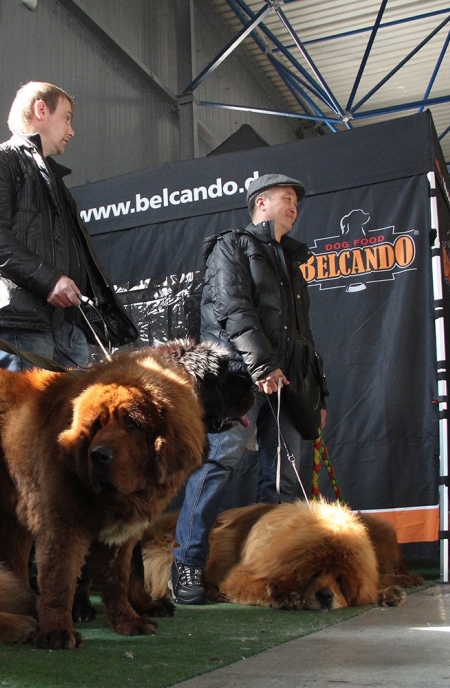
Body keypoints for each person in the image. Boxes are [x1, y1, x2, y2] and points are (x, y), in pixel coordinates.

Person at [171, 174, 328, 605]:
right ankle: (185, 566)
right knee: (216, 464)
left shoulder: (292, 262)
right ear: (261, 202)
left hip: (287, 385)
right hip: (238, 379)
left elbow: (303, 337)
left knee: (283, 483)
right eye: (287, 197)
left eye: (298, 199)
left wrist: (318, 396)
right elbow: (233, 308)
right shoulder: (232, 246)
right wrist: (261, 365)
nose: (295, 204)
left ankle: (271, 572)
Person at [0, 81, 136, 372]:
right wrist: (50, 281)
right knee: (18, 417)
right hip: (18, 326)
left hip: (67, 331)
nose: (71, 131)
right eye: (67, 118)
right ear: (40, 109)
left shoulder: (55, 183)